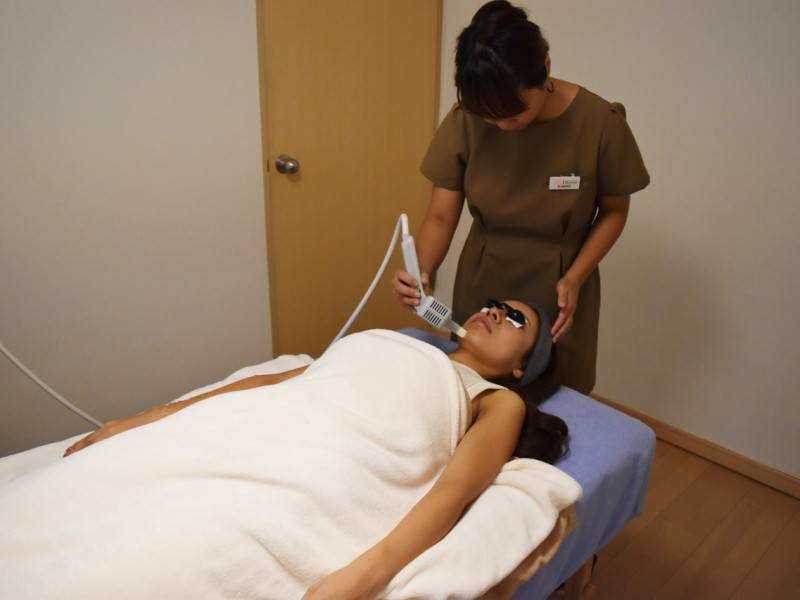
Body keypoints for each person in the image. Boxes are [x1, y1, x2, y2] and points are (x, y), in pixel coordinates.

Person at [63, 299, 567, 600]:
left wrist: (362, 578)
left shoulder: (498, 401)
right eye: (495, 304)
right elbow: (275, 381)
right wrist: (150, 418)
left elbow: (453, 491)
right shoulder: (397, 342)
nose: (495, 312)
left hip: (321, 458)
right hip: (256, 424)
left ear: (521, 368)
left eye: (514, 319)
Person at [392, 0, 650, 394]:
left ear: (545, 67)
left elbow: (615, 211)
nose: (502, 126)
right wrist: (419, 275)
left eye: (512, 114)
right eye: (489, 117)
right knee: (470, 392)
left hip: (561, 284)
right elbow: (441, 216)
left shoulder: (600, 125)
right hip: (483, 281)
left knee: (555, 400)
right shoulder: (466, 118)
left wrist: (575, 277)